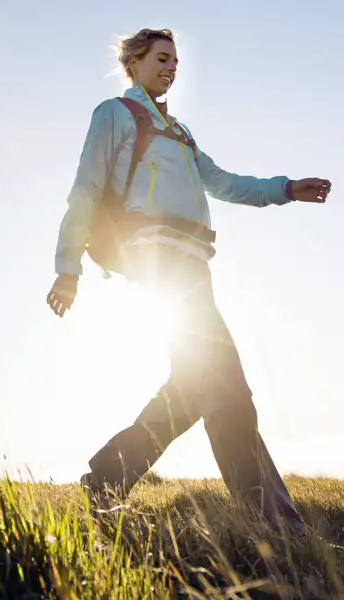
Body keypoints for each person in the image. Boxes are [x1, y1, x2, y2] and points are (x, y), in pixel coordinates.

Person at [46, 28, 331, 533]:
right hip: (156, 259)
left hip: (193, 264)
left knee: (194, 387)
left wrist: (286, 188)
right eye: (162, 57)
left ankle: (109, 476)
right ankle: (273, 522)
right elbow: (85, 190)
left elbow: (223, 182)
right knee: (228, 389)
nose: (172, 67)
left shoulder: (179, 132)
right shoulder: (115, 114)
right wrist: (68, 269)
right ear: (133, 61)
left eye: (176, 61)